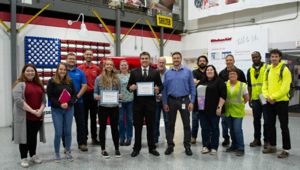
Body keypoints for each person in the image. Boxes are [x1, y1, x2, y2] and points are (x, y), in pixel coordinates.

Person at [127, 51, 162, 157]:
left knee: (151, 127)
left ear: (149, 59)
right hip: (137, 105)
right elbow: (128, 86)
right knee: (137, 127)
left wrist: (158, 89)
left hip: (151, 105)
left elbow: (161, 86)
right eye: (142, 58)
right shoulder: (134, 72)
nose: (144, 60)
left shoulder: (155, 72)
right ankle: (136, 148)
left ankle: (152, 148)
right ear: (140, 60)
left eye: (146, 58)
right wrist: (130, 88)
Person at [12, 64, 46, 168]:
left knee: (33, 137)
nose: (30, 72)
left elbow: (44, 100)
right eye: (28, 71)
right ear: (23, 72)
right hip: (25, 117)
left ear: (35, 73)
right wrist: (32, 111)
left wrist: (40, 111)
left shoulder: (39, 85)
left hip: (37, 116)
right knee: (24, 138)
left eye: (32, 71)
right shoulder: (19, 84)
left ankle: (33, 155)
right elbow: (18, 101)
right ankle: (23, 157)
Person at [163, 52, 195, 156]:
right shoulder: (167, 73)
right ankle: (170, 145)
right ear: (172, 60)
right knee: (170, 124)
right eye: (174, 58)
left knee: (186, 124)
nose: (176, 59)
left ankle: (187, 146)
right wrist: (165, 102)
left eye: (178, 58)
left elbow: (192, 87)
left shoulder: (188, 71)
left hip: (184, 101)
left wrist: (192, 101)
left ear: (181, 59)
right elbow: (164, 89)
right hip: (171, 100)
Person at [262, 49, 292, 158]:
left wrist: (273, 97)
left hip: (282, 102)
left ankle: (286, 149)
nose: (274, 58)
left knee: (284, 126)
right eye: (272, 56)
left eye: (276, 56)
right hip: (270, 102)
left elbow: (285, 88)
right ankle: (272, 146)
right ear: (270, 58)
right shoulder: (268, 70)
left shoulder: (285, 70)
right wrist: (267, 96)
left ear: (279, 57)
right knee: (270, 125)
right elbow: (264, 85)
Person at [47, 63, 77, 162]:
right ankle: (57, 153)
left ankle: (68, 151)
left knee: (68, 131)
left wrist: (68, 103)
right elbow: (50, 96)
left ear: (66, 71)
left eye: (64, 69)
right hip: (57, 110)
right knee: (58, 132)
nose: (62, 71)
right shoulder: (51, 81)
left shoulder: (70, 81)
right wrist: (60, 104)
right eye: (61, 69)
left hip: (69, 109)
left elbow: (74, 95)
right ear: (57, 70)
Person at [94, 59, 121, 158]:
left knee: (115, 128)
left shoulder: (117, 78)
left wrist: (120, 96)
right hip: (103, 107)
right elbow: (95, 92)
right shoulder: (98, 79)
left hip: (114, 107)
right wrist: (96, 96)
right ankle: (103, 149)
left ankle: (117, 148)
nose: (109, 66)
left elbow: (120, 92)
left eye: (111, 64)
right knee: (102, 128)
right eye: (107, 64)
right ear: (104, 66)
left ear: (113, 66)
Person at [219, 54, 246, 147]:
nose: (229, 62)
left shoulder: (240, 72)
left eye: (230, 60)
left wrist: (242, 102)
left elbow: (244, 87)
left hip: (236, 108)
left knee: (236, 128)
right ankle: (226, 139)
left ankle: (239, 146)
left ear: (234, 61)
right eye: (227, 60)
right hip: (225, 106)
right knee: (224, 124)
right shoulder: (222, 73)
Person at [198, 65, 226, 155]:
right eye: (207, 70)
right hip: (203, 110)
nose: (209, 71)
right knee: (204, 128)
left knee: (214, 128)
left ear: (214, 71)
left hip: (214, 110)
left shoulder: (219, 81)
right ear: (205, 72)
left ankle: (214, 147)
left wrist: (219, 107)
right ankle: (205, 146)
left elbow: (223, 95)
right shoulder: (202, 81)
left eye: (211, 70)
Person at [224, 68, 249, 156]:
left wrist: (240, 105)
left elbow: (246, 98)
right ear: (228, 75)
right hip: (228, 111)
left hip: (238, 112)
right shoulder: (225, 84)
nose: (232, 75)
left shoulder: (243, 85)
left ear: (237, 76)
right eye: (230, 74)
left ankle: (241, 148)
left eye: (234, 74)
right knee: (231, 130)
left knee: (237, 130)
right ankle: (234, 145)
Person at [66, 53, 88, 151]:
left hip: (79, 102)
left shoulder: (80, 72)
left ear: (76, 61)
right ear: (66, 60)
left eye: (73, 59)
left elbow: (84, 86)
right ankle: (66, 145)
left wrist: (76, 97)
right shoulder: (62, 72)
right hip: (66, 103)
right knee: (66, 124)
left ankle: (82, 143)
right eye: (70, 59)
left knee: (81, 123)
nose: (72, 60)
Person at [78, 49, 101, 145]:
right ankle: (84, 138)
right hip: (83, 95)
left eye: (90, 54)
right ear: (84, 56)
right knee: (83, 118)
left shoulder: (97, 68)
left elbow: (100, 82)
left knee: (93, 118)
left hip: (93, 95)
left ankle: (94, 138)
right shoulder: (79, 68)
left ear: (92, 56)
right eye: (87, 54)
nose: (89, 56)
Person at [247, 51, 269, 148]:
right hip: (255, 98)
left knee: (267, 120)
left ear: (260, 57)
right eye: (253, 57)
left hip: (265, 97)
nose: (255, 59)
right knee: (256, 120)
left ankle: (267, 140)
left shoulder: (267, 68)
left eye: (257, 57)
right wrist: (250, 98)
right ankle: (257, 139)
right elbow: (250, 85)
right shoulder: (250, 70)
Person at [191, 55, 208, 144]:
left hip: (208, 99)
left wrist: (198, 81)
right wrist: (204, 82)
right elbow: (194, 83)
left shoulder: (209, 70)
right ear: (198, 63)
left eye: (203, 61)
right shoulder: (194, 72)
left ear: (206, 62)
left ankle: (207, 137)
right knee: (195, 119)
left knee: (206, 120)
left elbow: (198, 83)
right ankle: (193, 137)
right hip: (197, 99)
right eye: (200, 61)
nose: (202, 62)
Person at [118, 60, 134, 146]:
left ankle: (129, 137)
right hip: (120, 101)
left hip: (130, 100)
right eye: (122, 65)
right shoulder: (116, 76)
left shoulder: (132, 75)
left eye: (125, 65)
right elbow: (114, 87)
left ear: (128, 67)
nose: (124, 66)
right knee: (120, 120)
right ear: (119, 67)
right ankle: (121, 137)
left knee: (129, 120)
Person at [154, 57, 169, 144]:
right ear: (157, 63)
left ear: (165, 63)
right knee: (155, 120)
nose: (161, 64)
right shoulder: (153, 73)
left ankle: (168, 139)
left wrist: (163, 95)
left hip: (166, 101)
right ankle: (155, 138)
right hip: (155, 100)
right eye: (160, 62)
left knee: (167, 120)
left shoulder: (169, 73)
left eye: (163, 62)